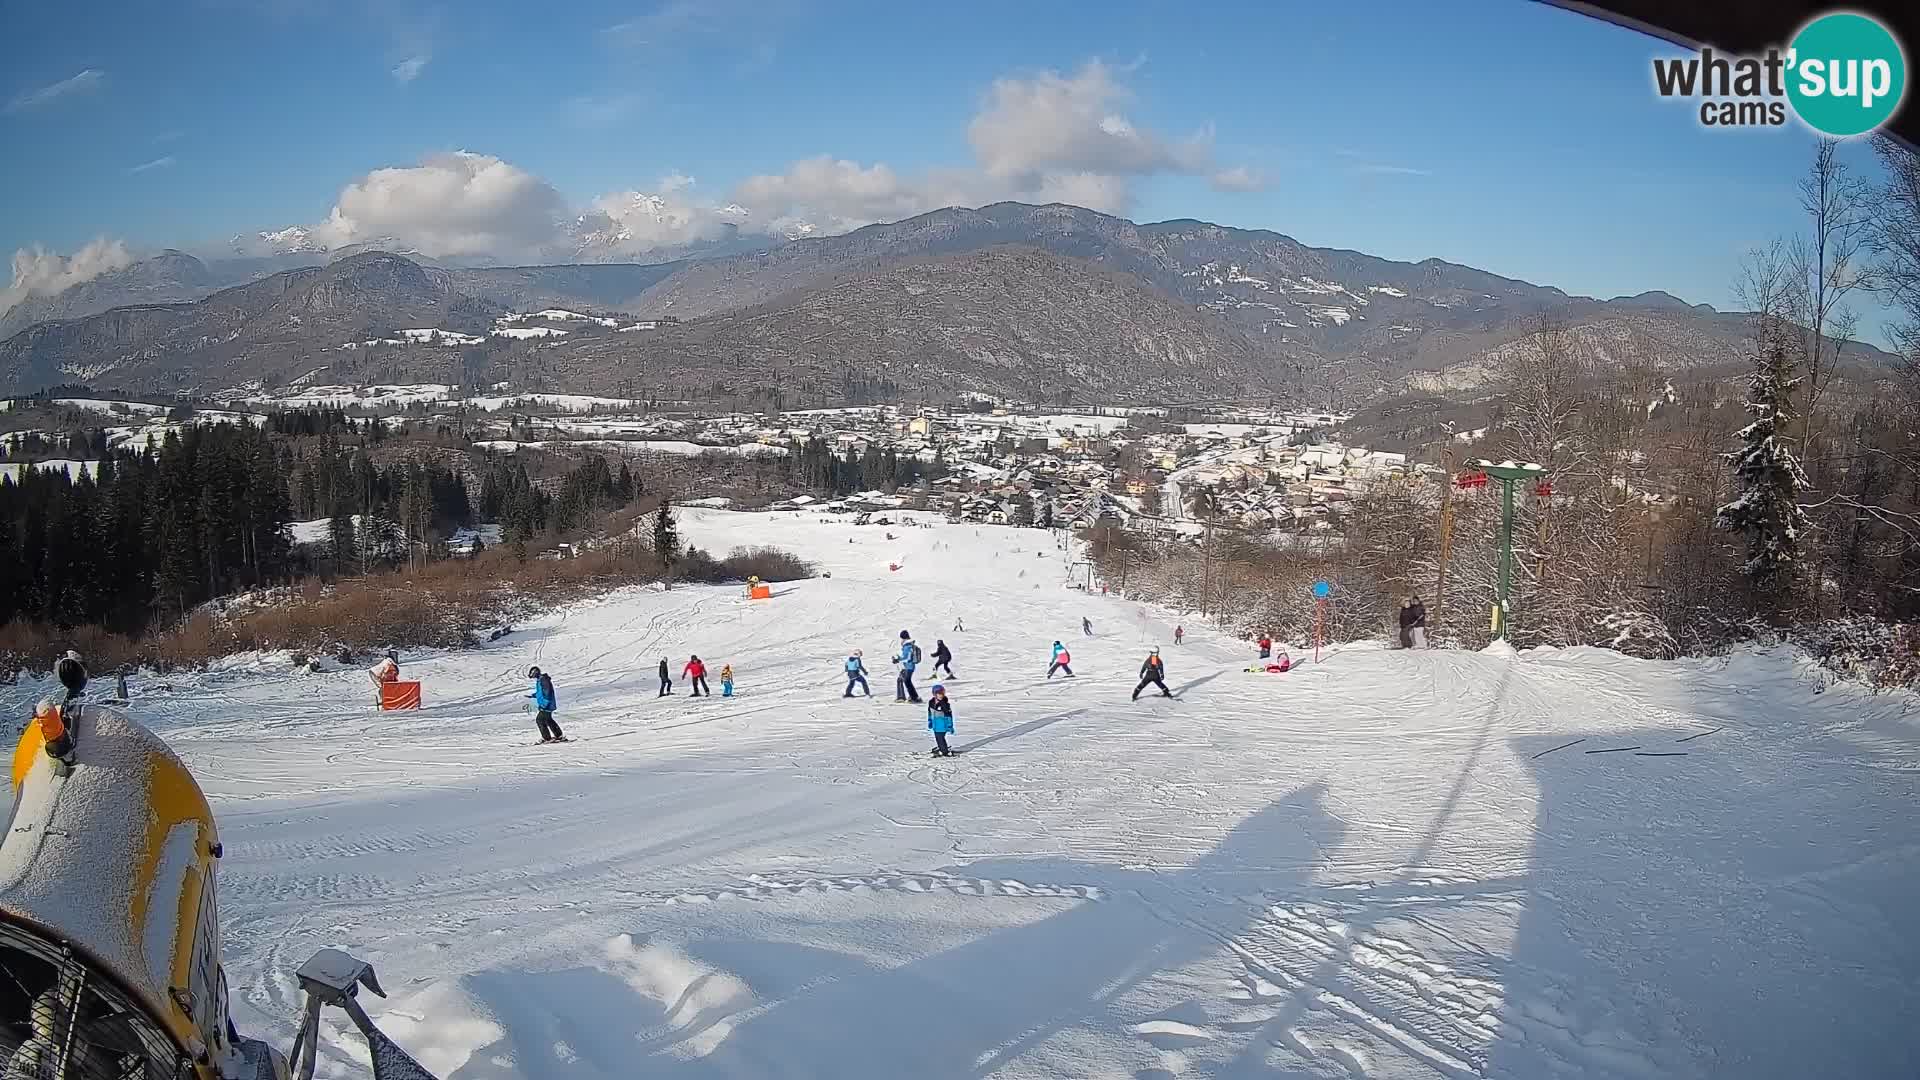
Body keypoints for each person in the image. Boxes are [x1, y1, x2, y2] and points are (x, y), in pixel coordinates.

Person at [527, 666, 565, 743]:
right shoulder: (541, 680)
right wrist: (534, 695)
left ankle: (547, 738)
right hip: (548, 704)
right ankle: (559, 735)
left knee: (540, 720)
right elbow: (542, 692)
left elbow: (547, 693)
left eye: (532, 674)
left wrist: (544, 705)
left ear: (535, 673)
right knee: (548, 720)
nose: (532, 677)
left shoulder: (543, 680)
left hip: (547, 705)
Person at [926, 684, 955, 756]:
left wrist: (950, 726)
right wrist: (930, 721)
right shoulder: (931, 702)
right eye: (939, 694)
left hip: (943, 725)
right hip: (935, 725)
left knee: (940, 738)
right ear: (934, 694)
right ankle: (941, 747)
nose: (941, 695)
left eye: (942, 694)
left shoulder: (945, 705)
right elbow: (930, 713)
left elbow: (949, 716)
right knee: (938, 737)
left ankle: (944, 751)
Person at [894, 631, 922, 703]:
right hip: (907, 667)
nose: (901, 640)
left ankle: (914, 698)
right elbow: (905, 657)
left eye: (902, 638)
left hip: (909, 667)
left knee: (907, 681)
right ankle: (904, 697)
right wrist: (898, 658)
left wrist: (898, 660)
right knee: (901, 680)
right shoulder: (908, 645)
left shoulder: (907, 646)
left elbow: (908, 658)